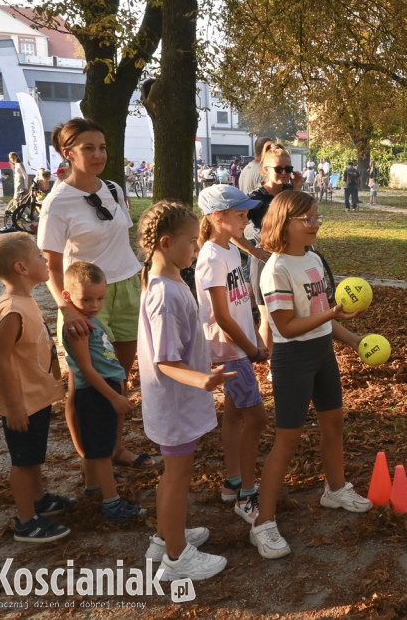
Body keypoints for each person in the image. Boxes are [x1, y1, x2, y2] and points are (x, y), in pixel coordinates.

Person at [251, 190, 372, 559]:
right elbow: (287, 327)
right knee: (287, 441)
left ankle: (335, 489)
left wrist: (353, 340)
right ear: (285, 223)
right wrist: (332, 314)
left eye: (317, 217)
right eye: (309, 219)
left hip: (322, 354)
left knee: (333, 424)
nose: (316, 224)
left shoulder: (315, 260)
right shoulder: (276, 270)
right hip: (292, 360)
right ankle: (262, 523)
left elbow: (322, 318)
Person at [38, 118, 152, 478]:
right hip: (84, 301)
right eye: (88, 148)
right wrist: (68, 308)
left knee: (119, 376)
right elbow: (51, 268)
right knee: (83, 381)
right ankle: (92, 459)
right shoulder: (57, 203)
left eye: (102, 147)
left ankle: (115, 448)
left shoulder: (114, 189)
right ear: (67, 153)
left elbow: (121, 240)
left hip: (126, 289)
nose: (98, 154)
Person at [136, 201, 234, 580]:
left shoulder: (168, 279)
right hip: (174, 402)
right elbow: (165, 360)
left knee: (173, 474)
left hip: (175, 401)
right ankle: (176, 559)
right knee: (177, 476)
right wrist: (203, 380)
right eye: (191, 242)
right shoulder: (165, 294)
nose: (196, 249)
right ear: (165, 242)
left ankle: (165, 535)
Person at [0, 232, 75, 543]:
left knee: (34, 456)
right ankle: (25, 521)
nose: (46, 260)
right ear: (22, 268)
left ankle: (38, 501)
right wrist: (13, 406)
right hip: (22, 402)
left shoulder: (26, 300)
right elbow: (0, 361)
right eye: (39, 256)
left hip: (36, 398)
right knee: (23, 462)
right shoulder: (11, 309)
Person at [196, 185, 269, 524]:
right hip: (230, 349)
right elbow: (222, 317)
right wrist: (251, 348)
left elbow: (240, 304)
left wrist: (254, 333)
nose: (246, 219)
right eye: (240, 214)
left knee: (235, 415)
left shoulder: (229, 251)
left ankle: (233, 481)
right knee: (257, 418)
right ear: (217, 217)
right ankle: (247, 496)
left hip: (240, 344)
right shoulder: (210, 257)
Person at [59, 261, 146, 522]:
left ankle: (93, 489)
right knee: (101, 452)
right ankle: (112, 504)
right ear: (67, 296)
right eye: (85, 299)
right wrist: (114, 397)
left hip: (104, 390)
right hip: (96, 394)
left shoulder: (89, 319)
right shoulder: (78, 327)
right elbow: (85, 369)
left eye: (100, 298)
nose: (94, 305)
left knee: (96, 446)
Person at [246, 145, 302, 350]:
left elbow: (302, 217)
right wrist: (253, 251)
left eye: (289, 168)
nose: (285, 173)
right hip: (264, 262)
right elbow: (230, 230)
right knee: (268, 319)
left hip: (289, 260)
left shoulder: (289, 191)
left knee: (293, 313)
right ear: (265, 169)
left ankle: (287, 359)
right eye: (279, 169)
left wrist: (297, 188)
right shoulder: (255, 199)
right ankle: (268, 364)